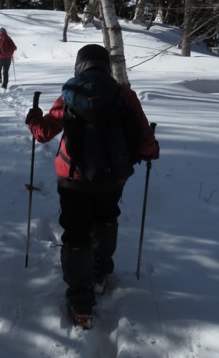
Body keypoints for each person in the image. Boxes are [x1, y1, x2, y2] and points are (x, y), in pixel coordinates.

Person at [25, 43, 158, 329]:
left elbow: (44, 133)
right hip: (112, 178)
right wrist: (148, 152)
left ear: (79, 65)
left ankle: (81, 303)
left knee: (76, 233)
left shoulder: (71, 93)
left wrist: (34, 120)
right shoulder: (125, 95)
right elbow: (146, 140)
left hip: (72, 179)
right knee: (106, 219)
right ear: (106, 66)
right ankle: (98, 272)